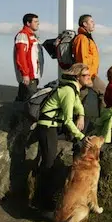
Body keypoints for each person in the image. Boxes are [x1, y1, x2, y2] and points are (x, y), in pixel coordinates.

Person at [34, 62, 92, 211]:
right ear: (77, 77)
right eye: (85, 75)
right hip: (47, 126)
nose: (89, 77)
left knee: (51, 161)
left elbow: (78, 106)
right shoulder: (68, 91)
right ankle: (42, 202)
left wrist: (81, 116)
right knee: (49, 163)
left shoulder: (73, 89)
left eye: (89, 74)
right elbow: (67, 120)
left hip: (55, 125)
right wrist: (81, 137)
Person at [72, 14, 106, 116]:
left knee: (82, 97)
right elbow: (82, 59)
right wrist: (86, 76)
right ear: (84, 24)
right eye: (91, 22)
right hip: (87, 75)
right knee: (80, 98)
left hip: (91, 74)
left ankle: (101, 120)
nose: (94, 24)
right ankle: (73, 120)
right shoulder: (82, 38)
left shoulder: (87, 38)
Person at [14, 13, 44, 102]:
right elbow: (21, 56)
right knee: (29, 101)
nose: (38, 23)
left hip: (33, 75)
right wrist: (25, 74)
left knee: (25, 99)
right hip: (29, 75)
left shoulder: (32, 36)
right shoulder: (23, 35)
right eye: (35, 21)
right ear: (28, 23)